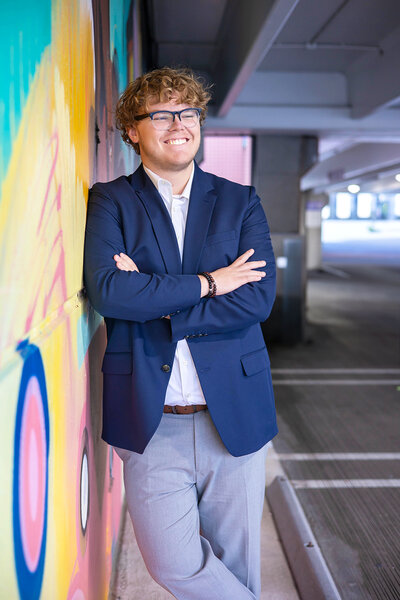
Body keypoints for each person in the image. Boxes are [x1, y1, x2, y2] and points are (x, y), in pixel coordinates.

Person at [84, 67, 277, 599]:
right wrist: (212, 283)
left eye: (188, 112)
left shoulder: (241, 202)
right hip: (151, 421)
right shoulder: (111, 201)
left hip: (233, 413)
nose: (178, 125)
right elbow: (108, 293)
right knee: (174, 566)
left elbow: (256, 299)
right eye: (161, 114)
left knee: (236, 570)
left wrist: (156, 299)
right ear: (132, 130)